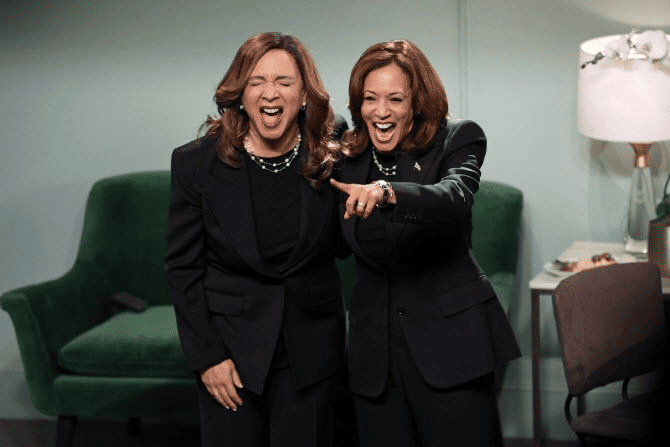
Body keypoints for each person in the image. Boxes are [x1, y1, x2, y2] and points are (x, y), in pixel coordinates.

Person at [330, 40, 521, 447]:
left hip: (451, 346)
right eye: (370, 98)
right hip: (374, 356)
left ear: (416, 102)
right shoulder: (346, 155)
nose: (381, 111)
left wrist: (387, 193)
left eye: (395, 99)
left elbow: (454, 198)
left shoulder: (457, 138)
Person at [166, 32, 347, 447]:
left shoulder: (331, 151)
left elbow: (349, 237)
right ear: (239, 94)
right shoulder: (195, 162)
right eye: (256, 81)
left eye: (284, 82)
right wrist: (208, 357)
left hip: (310, 348)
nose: (270, 93)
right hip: (229, 352)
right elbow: (183, 269)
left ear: (304, 93)